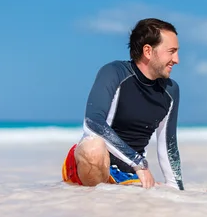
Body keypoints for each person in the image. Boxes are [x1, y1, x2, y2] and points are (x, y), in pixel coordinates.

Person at [61, 18, 184, 190]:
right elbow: (93, 123)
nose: (176, 59)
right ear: (148, 51)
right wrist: (138, 162)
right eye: (171, 51)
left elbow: (168, 145)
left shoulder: (170, 91)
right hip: (92, 164)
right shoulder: (114, 73)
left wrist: (178, 192)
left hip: (129, 175)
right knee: (93, 148)